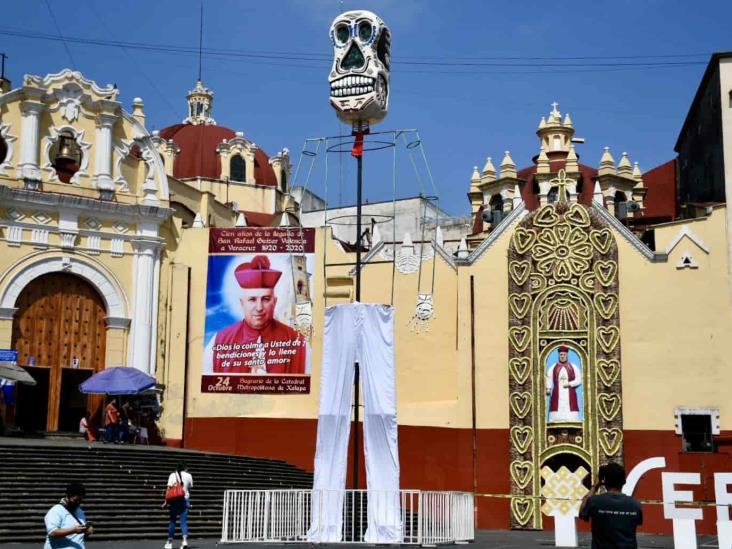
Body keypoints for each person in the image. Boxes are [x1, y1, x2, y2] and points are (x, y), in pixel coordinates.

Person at [202, 255, 307, 374]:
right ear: (242, 303)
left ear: (275, 302)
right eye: (252, 299)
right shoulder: (219, 341)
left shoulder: (297, 341)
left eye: (266, 299)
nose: (259, 308)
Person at [579, 463, 643, 549]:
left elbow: (582, 513)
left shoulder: (594, 502)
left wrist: (595, 486)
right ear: (624, 481)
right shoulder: (635, 505)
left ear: (604, 481)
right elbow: (638, 522)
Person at [44, 481, 93, 549]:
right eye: (75, 500)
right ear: (67, 496)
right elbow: (52, 532)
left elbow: (77, 536)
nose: (78, 503)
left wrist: (87, 531)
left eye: (80, 500)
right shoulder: (56, 510)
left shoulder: (79, 511)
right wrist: (73, 530)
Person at [545, 345, 582, 422]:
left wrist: (569, 384)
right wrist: (548, 388)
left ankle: (571, 419)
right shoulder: (553, 367)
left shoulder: (573, 367)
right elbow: (549, 378)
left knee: (570, 408)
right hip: (557, 393)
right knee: (556, 406)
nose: (562, 356)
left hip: (570, 393)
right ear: (559, 355)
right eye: (561, 355)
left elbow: (579, 379)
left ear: (567, 355)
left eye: (564, 355)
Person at [164, 462, 194, 549]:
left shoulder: (172, 475)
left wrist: (166, 500)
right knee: (183, 522)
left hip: (174, 501)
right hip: (184, 500)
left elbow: (168, 488)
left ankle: (169, 543)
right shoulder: (189, 475)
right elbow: (190, 488)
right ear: (185, 468)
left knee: (172, 521)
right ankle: (184, 541)